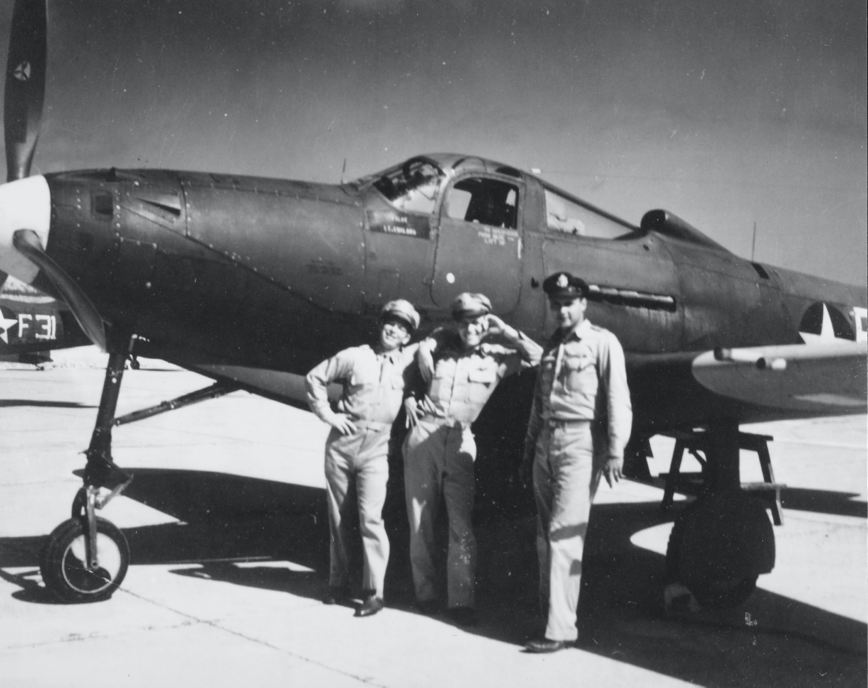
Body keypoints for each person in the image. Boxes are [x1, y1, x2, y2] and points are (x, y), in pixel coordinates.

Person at [403, 292, 542, 626]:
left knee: (461, 525)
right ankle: (424, 594)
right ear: (456, 324)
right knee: (420, 520)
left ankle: (460, 600)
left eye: (478, 321)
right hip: (425, 434)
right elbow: (405, 364)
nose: (471, 327)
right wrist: (410, 394)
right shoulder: (438, 349)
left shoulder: (497, 357)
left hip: (462, 439)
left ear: (487, 322)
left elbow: (537, 356)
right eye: (465, 321)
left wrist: (504, 329)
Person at [520, 272, 632, 653]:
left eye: (569, 303)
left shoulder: (603, 343)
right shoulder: (551, 347)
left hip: (580, 443)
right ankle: (548, 616)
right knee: (544, 538)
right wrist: (528, 451)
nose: (562, 310)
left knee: (565, 536)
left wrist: (616, 449)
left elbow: (618, 398)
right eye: (556, 304)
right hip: (545, 445)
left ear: (583, 304)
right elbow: (539, 406)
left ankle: (561, 630)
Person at [305, 299, 421, 618]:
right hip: (343, 443)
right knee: (339, 518)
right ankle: (337, 583)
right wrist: (328, 415)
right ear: (381, 324)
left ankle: (374, 592)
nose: (393, 329)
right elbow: (315, 378)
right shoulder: (355, 356)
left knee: (372, 518)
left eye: (401, 327)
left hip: (378, 448)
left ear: (407, 336)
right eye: (390, 322)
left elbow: (430, 354)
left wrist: (410, 398)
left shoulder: (408, 362)